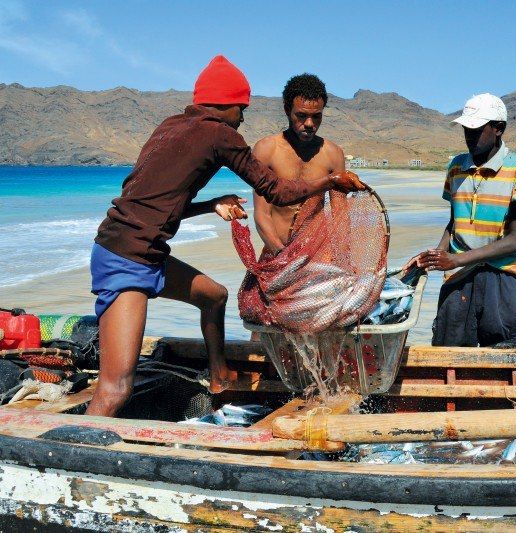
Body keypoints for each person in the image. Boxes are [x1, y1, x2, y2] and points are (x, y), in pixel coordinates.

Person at [87, 56, 364, 417]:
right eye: (242, 109)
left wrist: (211, 204)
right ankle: (71, 461)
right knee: (115, 388)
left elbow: (155, 204)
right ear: (228, 105)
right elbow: (276, 191)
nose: (242, 119)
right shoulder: (221, 134)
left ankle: (219, 376)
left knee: (214, 296)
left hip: (142, 251)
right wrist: (328, 182)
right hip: (127, 259)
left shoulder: (168, 126)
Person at [405, 93, 516, 347]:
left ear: (498, 128)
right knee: (449, 351)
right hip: (458, 277)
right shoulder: (456, 167)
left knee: (499, 358)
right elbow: (455, 223)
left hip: (502, 276)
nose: (469, 136)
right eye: (466, 128)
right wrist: (433, 255)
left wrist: (455, 259)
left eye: (476, 129)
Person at [251, 74, 346, 255]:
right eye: (301, 116)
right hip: (275, 252)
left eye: (316, 116)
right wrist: (281, 254)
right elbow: (261, 214)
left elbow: (340, 215)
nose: (309, 123)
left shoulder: (333, 154)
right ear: (288, 110)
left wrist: (343, 256)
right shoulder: (266, 150)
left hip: (318, 255)